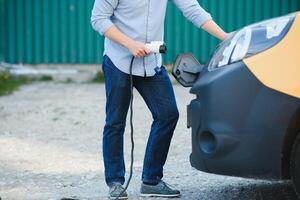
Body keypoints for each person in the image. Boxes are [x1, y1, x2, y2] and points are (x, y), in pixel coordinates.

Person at [91, 0, 228, 199]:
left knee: (168, 114)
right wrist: (129, 43)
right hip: (118, 61)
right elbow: (98, 19)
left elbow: (192, 9)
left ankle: (151, 180)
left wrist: (226, 38)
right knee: (115, 122)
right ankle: (115, 182)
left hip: (151, 62)